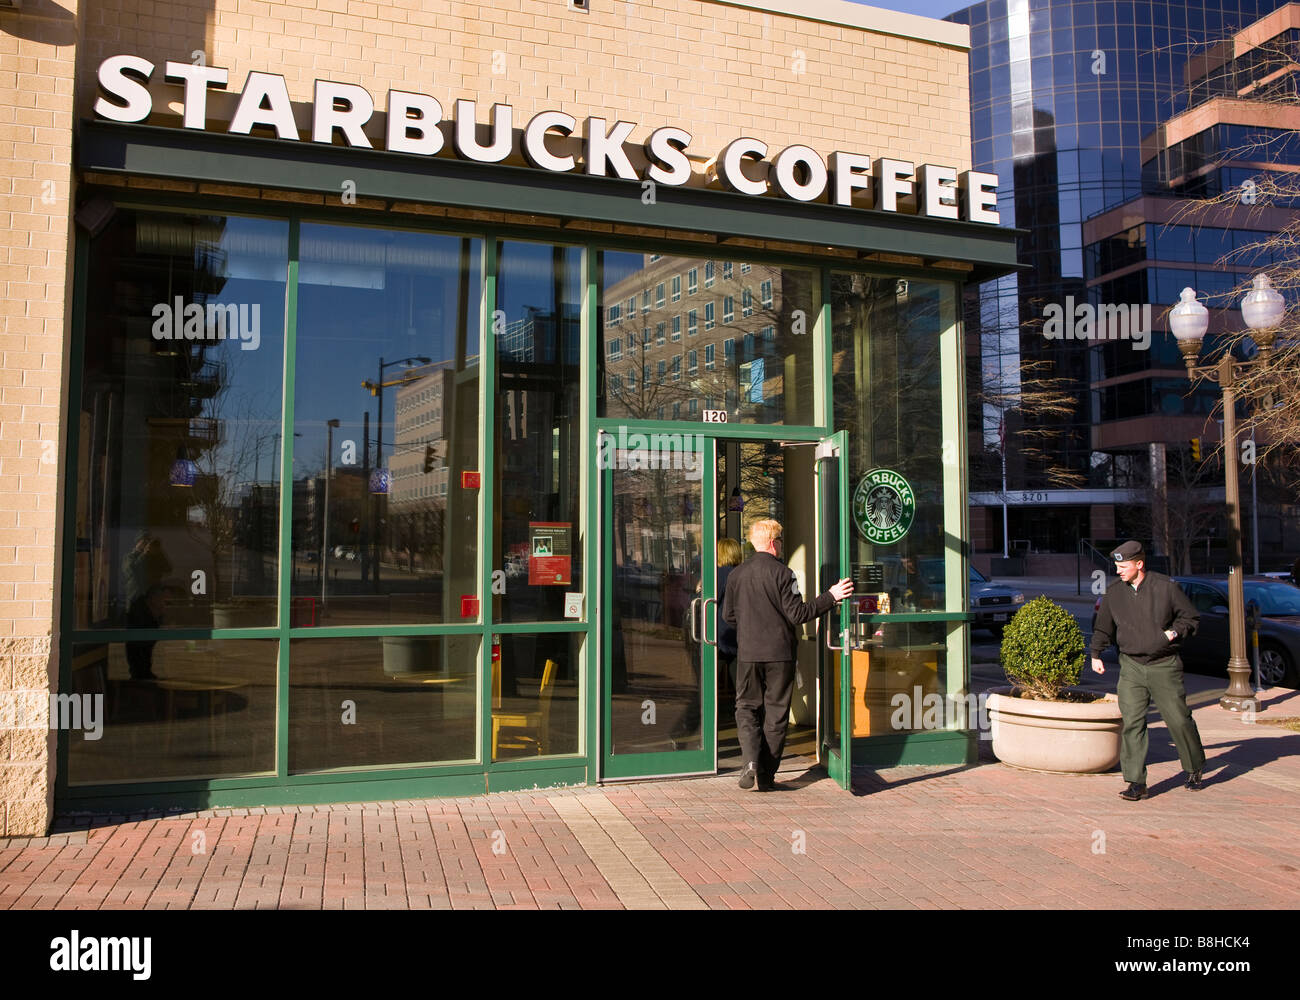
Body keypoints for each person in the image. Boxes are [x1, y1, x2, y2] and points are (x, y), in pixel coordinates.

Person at [722, 519, 854, 791]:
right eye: (780, 541)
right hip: (779, 654)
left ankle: (749, 761)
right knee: (776, 713)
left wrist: (750, 628)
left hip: (748, 654)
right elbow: (798, 614)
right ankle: (767, 776)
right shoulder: (784, 574)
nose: (781, 545)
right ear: (773, 543)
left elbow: (729, 616)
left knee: (746, 708)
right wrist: (830, 596)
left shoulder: (737, 575)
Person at [1090, 539, 1205, 800]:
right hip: (1131, 665)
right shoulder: (1114, 593)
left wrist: (1172, 633)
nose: (1118, 570)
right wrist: (1096, 653)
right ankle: (1135, 782)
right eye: (1117, 565)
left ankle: (1194, 767)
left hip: (1164, 665)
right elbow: (1103, 627)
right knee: (1132, 723)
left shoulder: (1166, 587)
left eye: (1124, 565)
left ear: (1139, 564)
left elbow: (1191, 618)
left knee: (1178, 719)